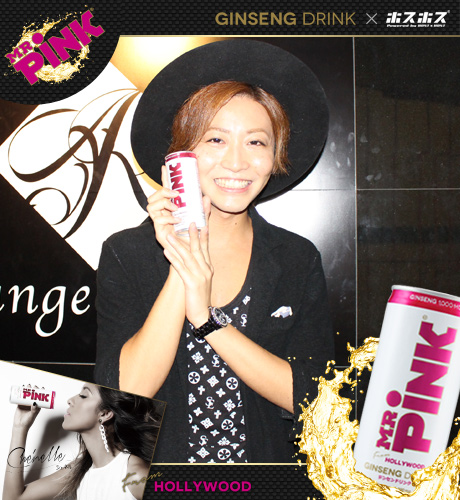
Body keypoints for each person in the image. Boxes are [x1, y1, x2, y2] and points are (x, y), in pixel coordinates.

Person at [95, 39, 335, 463]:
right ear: (183, 156)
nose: (237, 163)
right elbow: (126, 395)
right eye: (216, 139)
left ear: (275, 156)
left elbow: (313, 396)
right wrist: (182, 258)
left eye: (256, 143)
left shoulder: (296, 258)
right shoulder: (126, 253)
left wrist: (208, 322)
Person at [3, 384, 164, 500]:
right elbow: (14, 498)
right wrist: (20, 427)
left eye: (84, 395)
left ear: (105, 414)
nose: (70, 400)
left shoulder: (135, 474)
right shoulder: (80, 470)